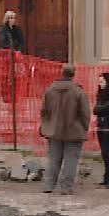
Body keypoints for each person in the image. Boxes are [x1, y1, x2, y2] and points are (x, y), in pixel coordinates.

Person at [39, 63, 92, 195]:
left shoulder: (50, 90)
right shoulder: (78, 91)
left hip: (53, 130)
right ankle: (66, 187)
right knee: (71, 160)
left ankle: (49, 185)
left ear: (61, 73)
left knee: (53, 159)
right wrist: (84, 127)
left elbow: (44, 110)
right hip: (74, 131)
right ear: (73, 75)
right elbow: (85, 113)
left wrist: (47, 124)